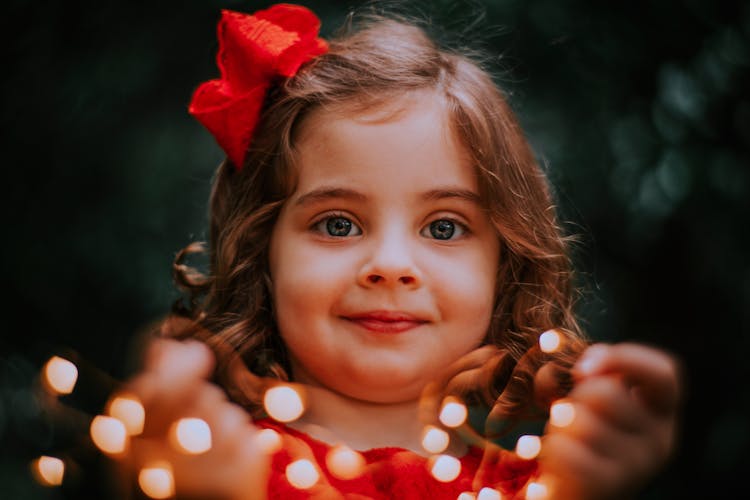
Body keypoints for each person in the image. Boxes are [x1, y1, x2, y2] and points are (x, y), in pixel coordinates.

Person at [111, 4, 682, 499]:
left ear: (505, 267)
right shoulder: (209, 467)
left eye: (443, 228)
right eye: (337, 224)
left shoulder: (545, 486)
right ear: (262, 253)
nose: (389, 266)